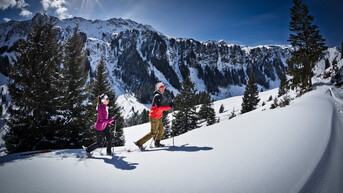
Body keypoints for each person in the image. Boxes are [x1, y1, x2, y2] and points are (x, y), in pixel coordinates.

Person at [135, 82, 173, 150]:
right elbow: (159, 107)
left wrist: (169, 105)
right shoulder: (157, 96)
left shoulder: (159, 95)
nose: (163, 89)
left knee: (161, 131)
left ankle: (157, 143)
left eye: (163, 87)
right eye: (161, 88)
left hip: (158, 116)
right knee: (153, 133)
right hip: (154, 117)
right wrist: (169, 106)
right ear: (158, 88)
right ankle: (139, 143)